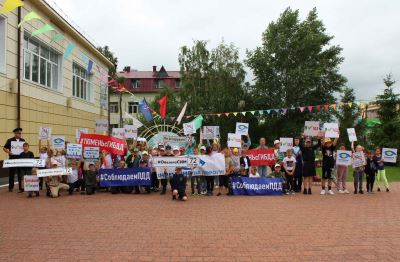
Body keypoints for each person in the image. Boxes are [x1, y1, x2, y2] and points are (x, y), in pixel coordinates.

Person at [3, 128, 26, 192]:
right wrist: (9, 152)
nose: (20, 134)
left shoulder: (22, 140)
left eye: (20, 133)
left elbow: (25, 148)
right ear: (15, 133)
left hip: (20, 159)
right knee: (11, 174)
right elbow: (4, 148)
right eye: (18, 133)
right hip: (12, 159)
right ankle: (11, 187)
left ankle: (20, 187)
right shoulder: (10, 140)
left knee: (20, 174)